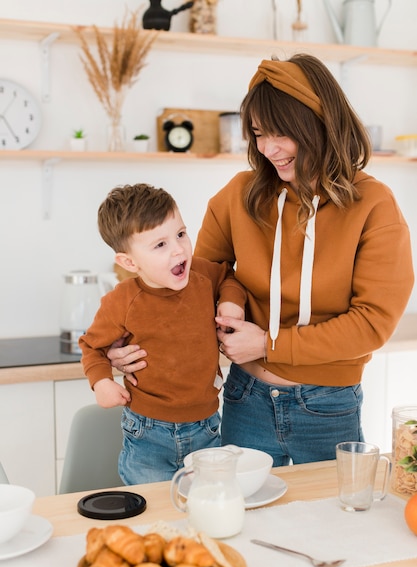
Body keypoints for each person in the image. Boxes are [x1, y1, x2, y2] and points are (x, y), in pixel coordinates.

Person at [107, 54, 414, 467]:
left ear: (319, 122)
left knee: (327, 526)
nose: (268, 149)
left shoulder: (373, 204)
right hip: (244, 399)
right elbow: (193, 286)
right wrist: (127, 342)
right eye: (258, 134)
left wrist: (269, 343)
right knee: (240, 525)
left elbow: (372, 323)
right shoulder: (239, 194)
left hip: (327, 408)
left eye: (281, 133)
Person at [79, 183, 246, 484]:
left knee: (207, 509)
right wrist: (101, 382)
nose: (179, 249)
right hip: (147, 434)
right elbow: (92, 347)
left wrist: (232, 301)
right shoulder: (121, 302)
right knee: (154, 514)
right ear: (129, 262)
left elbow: (228, 276)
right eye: (160, 245)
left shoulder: (202, 275)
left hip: (206, 428)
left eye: (181, 234)